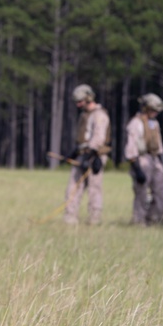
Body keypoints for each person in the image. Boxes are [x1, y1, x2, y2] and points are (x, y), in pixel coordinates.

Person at [63, 84, 110, 226]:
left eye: (80, 101)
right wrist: (75, 152)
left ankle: (94, 219)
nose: (78, 104)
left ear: (88, 98)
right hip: (83, 154)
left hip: (94, 156)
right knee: (74, 187)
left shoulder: (99, 115)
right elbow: (84, 138)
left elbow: (98, 138)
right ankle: (70, 218)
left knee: (94, 188)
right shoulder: (85, 115)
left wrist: (90, 156)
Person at [124, 93, 163, 225]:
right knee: (141, 194)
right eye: (152, 110)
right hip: (141, 159)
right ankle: (139, 221)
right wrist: (136, 168)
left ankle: (154, 219)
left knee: (161, 194)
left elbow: (159, 145)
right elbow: (131, 147)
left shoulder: (154, 124)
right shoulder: (135, 123)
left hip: (155, 159)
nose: (155, 113)